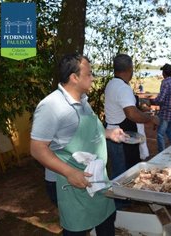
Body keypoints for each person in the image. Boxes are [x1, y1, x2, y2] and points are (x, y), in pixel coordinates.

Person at [30, 53, 126, 235]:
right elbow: (37, 149)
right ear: (74, 78)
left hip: (96, 178)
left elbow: (83, 132)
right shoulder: (51, 106)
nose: (92, 78)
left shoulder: (82, 101)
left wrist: (108, 133)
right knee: (78, 229)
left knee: (106, 220)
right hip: (68, 180)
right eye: (89, 74)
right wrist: (70, 172)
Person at [104, 54, 159, 180]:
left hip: (113, 134)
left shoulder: (111, 84)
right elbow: (132, 114)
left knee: (118, 172)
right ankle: (122, 200)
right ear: (130, 69)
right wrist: (150, 118)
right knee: (124, 175)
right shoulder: (123, 88)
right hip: (122, 138)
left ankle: (121, 198)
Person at [152, 63, 171, 152]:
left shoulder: (165, 83)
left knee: (160, 134)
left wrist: (152, 101)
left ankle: (162, 152)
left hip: (165, 114)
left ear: (164, 73)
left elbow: (161, 99)